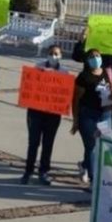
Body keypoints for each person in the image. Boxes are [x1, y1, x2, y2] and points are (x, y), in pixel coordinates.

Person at [71, 48, 112, 185]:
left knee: (104, 145)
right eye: (92, 57)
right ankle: (94, 180)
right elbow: (75, 99)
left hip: (105, 114)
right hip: (88, 115)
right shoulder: (83, 77)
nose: (95, 58)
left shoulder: (106, 72)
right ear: (87, 60)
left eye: (97, 56)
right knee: (91, 146)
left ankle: (85, 165)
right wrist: (75, 120)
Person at [20, 44, 67, 185]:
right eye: (52, 53)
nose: (54, 56)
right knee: (33, 142)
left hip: (53, 113)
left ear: (60, 56)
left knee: (48, 143)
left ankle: (44, 171)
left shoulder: (64, 72)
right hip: (36, 111)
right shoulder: (38, 66)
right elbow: (31, 83)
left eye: (56, 54)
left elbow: (65, 91)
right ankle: (28, 171)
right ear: (47, 54)